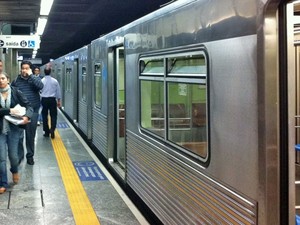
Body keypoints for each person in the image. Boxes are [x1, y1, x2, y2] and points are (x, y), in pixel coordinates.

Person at [0, 72, 33, 193]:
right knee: (1, 158)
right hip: (0, 130)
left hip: (14, 128)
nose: (1, 81)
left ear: (7, 80)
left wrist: (27, 117)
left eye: (3, 78)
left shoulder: (15, 92)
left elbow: (29, 106)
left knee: (13, 156)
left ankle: (14, 170)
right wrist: (9, 110)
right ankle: (2, 183)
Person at [11, 61, 43, 165]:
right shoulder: (16, 81)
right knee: (19, 136)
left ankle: (30, 156)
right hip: (20, 112)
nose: (24, 70)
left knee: (30, 135)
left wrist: (31, 76)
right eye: (23, 68)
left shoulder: (35, 79)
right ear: (20, 69)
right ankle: (20, 156)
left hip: (33, 110)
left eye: (27, 68)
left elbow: (41, 86)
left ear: (30, 69)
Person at [40, 66, 61, 139]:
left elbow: (39, 91)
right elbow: (58, 91)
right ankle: (52, 130)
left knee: (44, 116)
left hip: (44, 100)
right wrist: (58, 101)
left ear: (44, 72)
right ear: (50, 72)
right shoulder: (55, 81)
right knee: (53, 115)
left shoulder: (41, 81)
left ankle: (46, 132)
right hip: (52, 100)